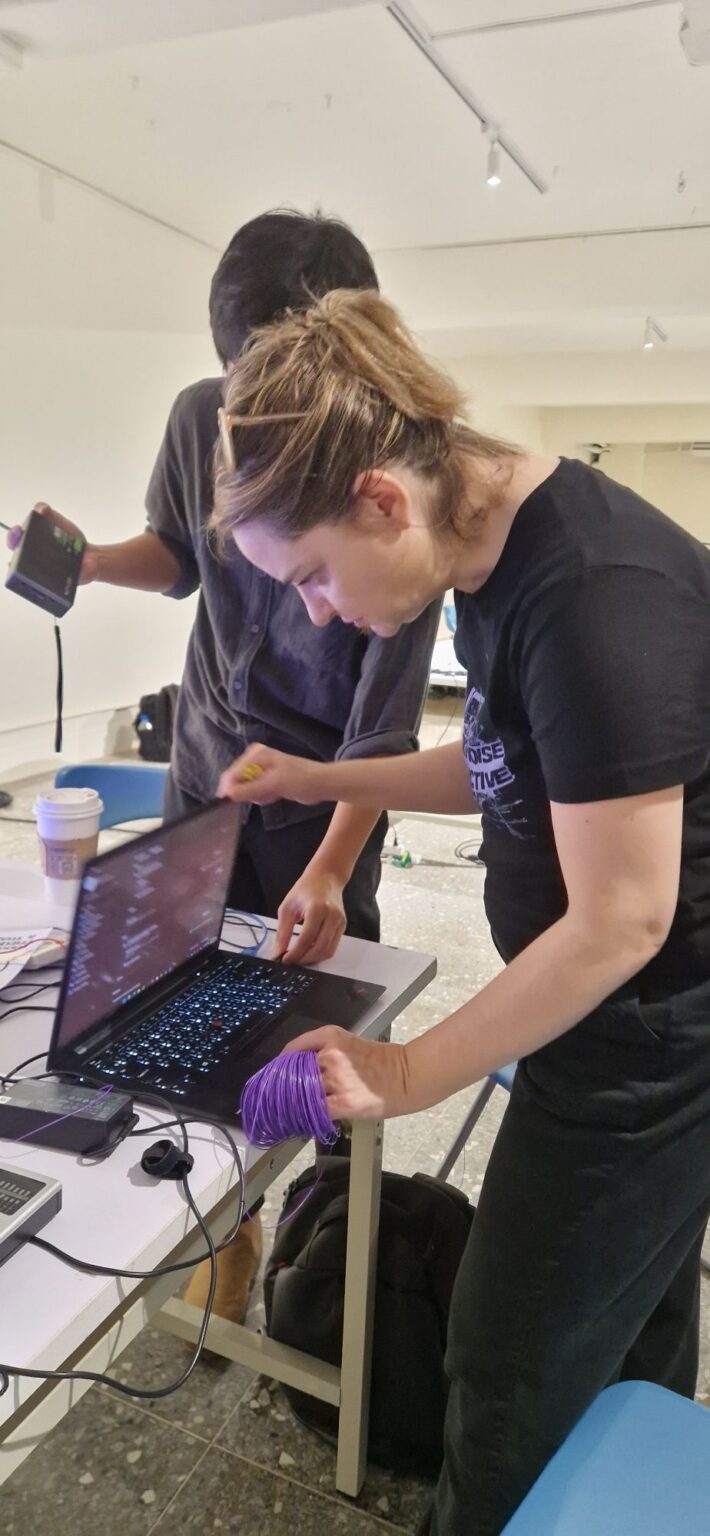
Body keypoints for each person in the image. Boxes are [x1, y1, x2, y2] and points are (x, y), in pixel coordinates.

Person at [209, 288, 710, 1535]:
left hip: (648, 1038)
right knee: (627, 1311)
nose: (316, 610)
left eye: (312, 575)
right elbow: (503, 763)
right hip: (616, 1020)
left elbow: (622, 919)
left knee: (502, 1365)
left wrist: (406, 1069)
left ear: (381, 497)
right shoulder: (491, 550)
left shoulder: (589, 594)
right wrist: (318, 776)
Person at [6, 217, 440, 1326]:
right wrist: (87, 563)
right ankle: (222, 1223)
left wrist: (332, 867)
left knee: (324, 1028)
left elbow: (382, 737)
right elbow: (178, 555)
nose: (248, 415)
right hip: (205, 766)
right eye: (239, 384)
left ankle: (325, 1234)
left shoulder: (396, 494)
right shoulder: (204, 415)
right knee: (173, 1003)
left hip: (323, 801)